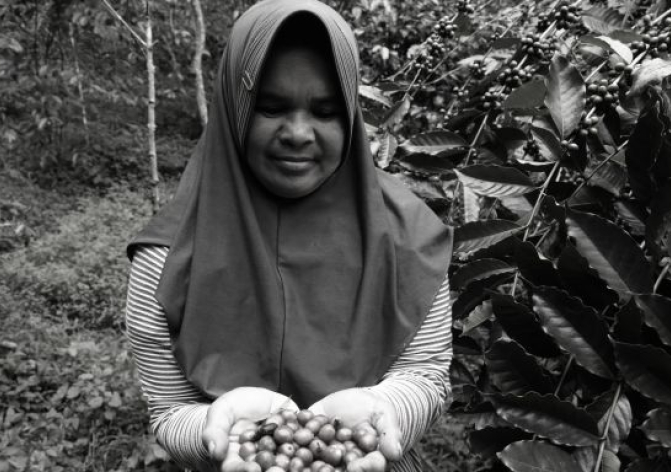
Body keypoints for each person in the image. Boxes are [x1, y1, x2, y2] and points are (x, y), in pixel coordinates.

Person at [124, 1, 453, 471]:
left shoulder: (411, 238)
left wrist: (386, 413)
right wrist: (211, 429)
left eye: (325, 111)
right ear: (235, 108)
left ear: (352, 118)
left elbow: (426, 375)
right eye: (271, 107)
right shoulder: (165, 258)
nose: (298, 133)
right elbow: (169, 410)